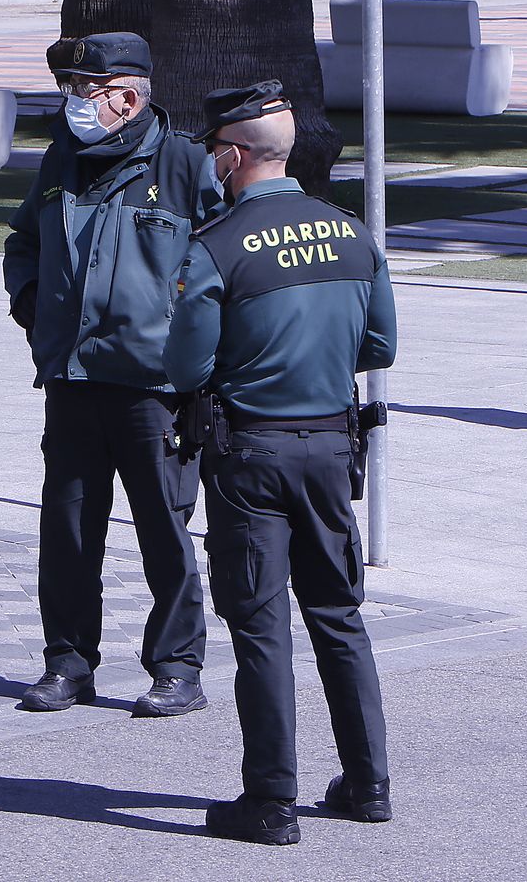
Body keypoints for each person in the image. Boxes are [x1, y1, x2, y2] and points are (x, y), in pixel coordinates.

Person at [165, 81, 397, 846]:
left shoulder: (217, 245)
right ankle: (368, 783)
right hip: (334, 448)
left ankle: (270, 799)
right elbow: (380, 347)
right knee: (339, 614)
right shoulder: (352, 233)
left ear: (232, 154)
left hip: (251, 453)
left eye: (213, 151)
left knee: (261, 623)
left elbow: (188, 364)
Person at [2, 32, 222, 717]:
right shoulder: (60, 160)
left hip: (154, 388)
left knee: (164, 528)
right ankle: (68, 662)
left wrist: (196, 360)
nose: (72, 103)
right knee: (67, 530)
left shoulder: (187, 164)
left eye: (83, 90)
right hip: (71, 377)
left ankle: (177, 665)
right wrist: (30, 300)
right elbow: (23, 242)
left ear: (127, 98)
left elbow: (222, 265)